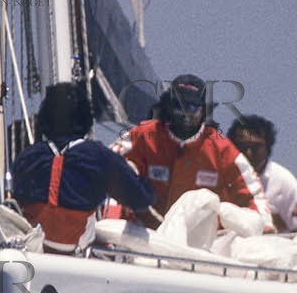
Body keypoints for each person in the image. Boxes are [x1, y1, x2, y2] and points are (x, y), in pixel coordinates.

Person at [113, 74, 273, 232]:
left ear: (203, 110)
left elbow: (253, 193)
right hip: (144, 236)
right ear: (168, 107)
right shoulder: (143, 136)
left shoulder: (221, 149)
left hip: (200, 244)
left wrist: (265, 227)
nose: (185, 114)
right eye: (179, 106)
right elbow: (109, 167)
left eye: (192, 107)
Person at [11, 82, 157, 253]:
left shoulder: (26, 158)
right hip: (75, 253)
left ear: (44, 118)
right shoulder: (100, 157)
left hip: (32, 250)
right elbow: (140, 199)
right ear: (85, 118)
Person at [227, 114, 297, 232]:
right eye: (243, 147)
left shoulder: (285, 182)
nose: (248, 153)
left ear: (268, 148)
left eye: (256, 147)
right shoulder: (222, 177)